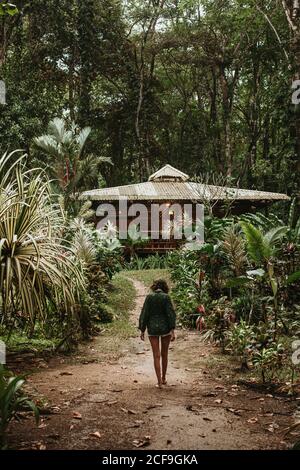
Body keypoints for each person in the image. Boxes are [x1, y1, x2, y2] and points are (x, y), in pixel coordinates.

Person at [138, 279, 176, 388]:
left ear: (154, 287)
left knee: (156, 355)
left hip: (153, 328)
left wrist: (142, 329)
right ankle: (164, 378)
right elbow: (170, 314)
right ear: (164, 287)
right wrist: (172, 330)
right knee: (165, 354)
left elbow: (144, 313)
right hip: (165, 328)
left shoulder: (149, 297)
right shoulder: (166, 297)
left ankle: (159, 382)